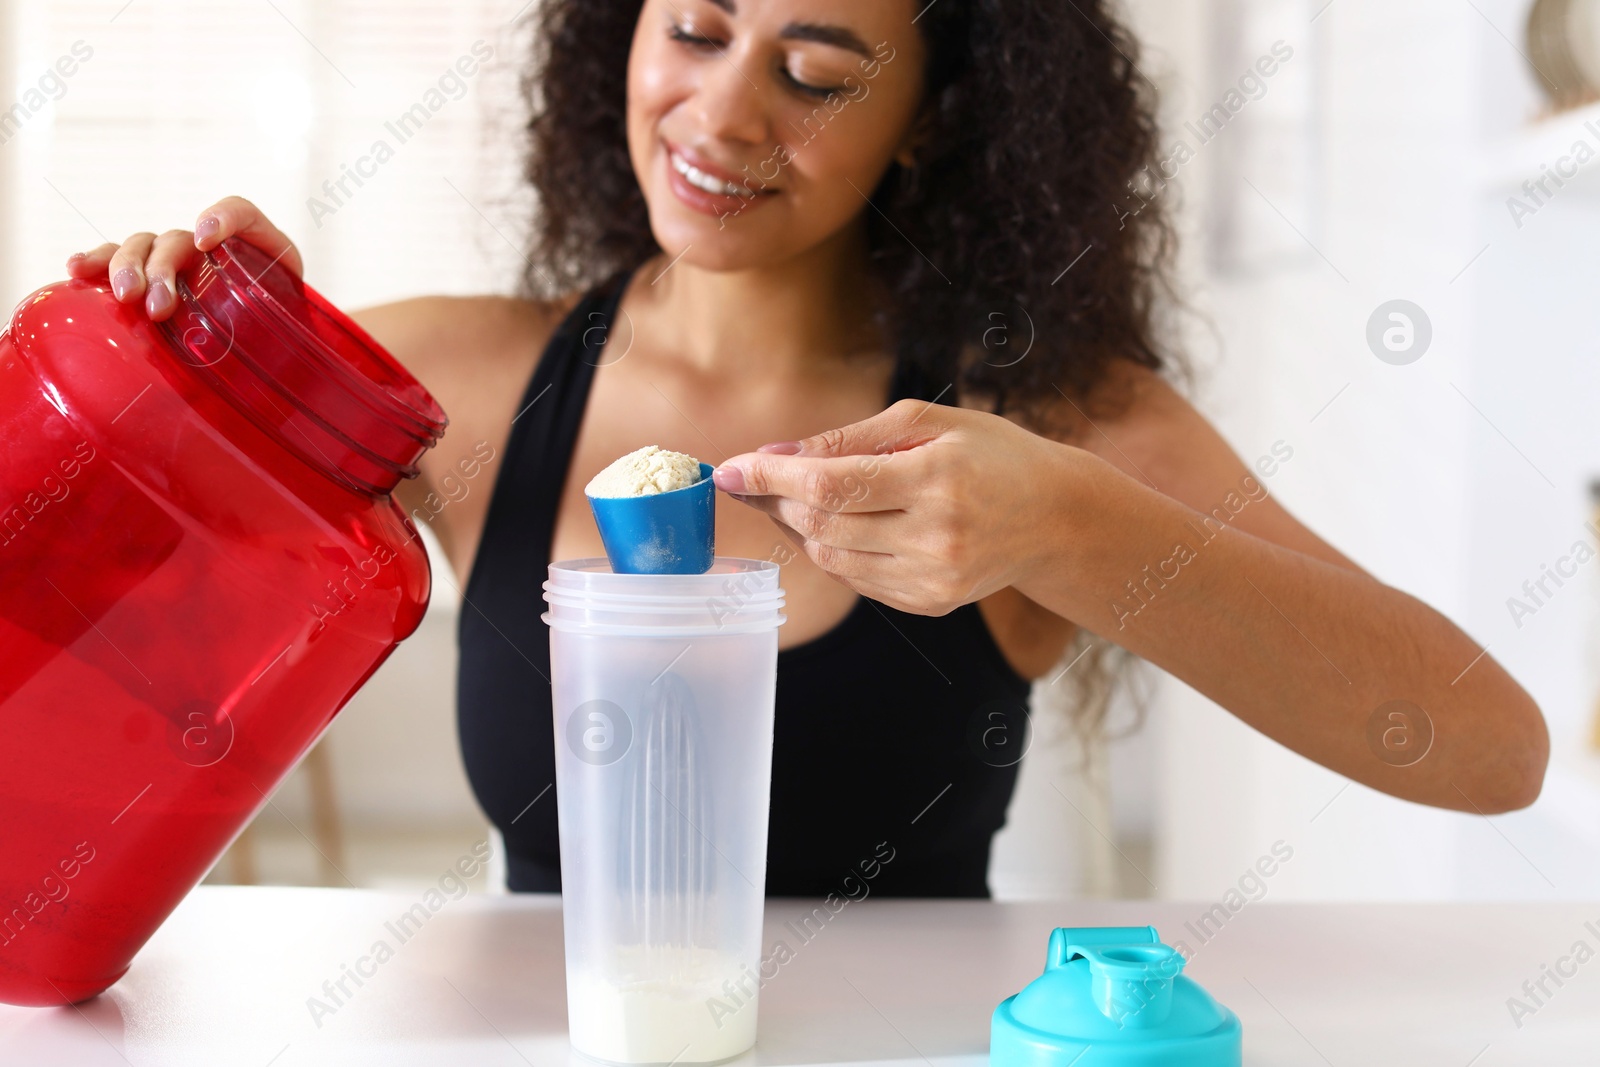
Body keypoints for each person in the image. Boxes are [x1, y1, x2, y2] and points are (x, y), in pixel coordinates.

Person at [66, 0, 1547, 897]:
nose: (721, 111)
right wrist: (174, 352)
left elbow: (1490, 750)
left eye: (817, 72)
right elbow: (79, 579)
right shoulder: (457, 382)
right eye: (696, 30)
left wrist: (1070, 532)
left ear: (925, 123)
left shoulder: (1040, 424)